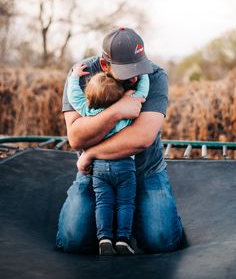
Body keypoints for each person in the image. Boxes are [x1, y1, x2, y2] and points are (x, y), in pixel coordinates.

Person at [56, 27, 183, 254]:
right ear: (105, 65)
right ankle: (118, 222)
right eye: (127, 71)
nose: (135, 76)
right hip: (96, 173)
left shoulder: (154, 75)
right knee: (72, 239)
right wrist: (117, 111)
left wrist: (91, 153)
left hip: (145, 171)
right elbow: (76, 137)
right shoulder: (82, 74)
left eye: (138, 68)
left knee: (161, 239)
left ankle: (140, 217)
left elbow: (142, 138)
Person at [67, 63, 149, 255]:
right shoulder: (125, 112)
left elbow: (74, 97)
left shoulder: (87, 110)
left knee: (103, 203)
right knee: (125, 203)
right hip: (124, 165)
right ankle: (122, 239)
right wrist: (142, 75)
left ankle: (104, 238)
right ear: (119, 97)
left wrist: (74, 77)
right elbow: (143, 91)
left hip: (100, 169)